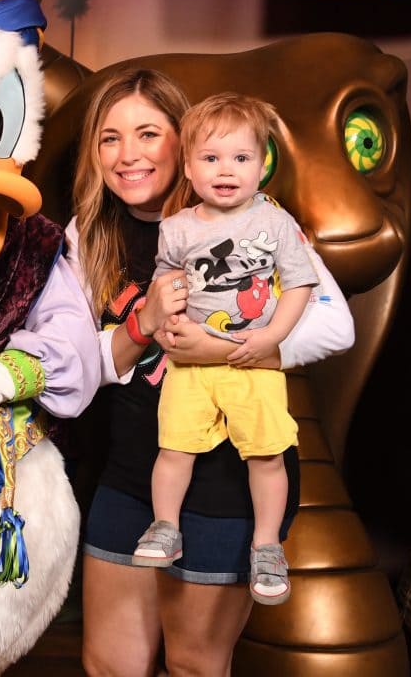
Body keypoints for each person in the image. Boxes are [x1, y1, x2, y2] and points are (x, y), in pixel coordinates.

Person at [63, 70, 354, 677]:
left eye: (148, 133)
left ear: (186, 144)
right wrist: (141, 325)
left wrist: (212, 348)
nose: (129, 155)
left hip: (231, 480)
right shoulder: (86, 236)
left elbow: (334, 327)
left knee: (195, 664)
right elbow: (79, 368)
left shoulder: (255, 219)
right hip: (132, 472)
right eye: (109, 139)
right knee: (109, 666)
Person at [131, 93, 315, 607]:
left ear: (261, 166)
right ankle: (165, 526)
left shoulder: (275, 222)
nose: (226, 170)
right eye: (211, 159)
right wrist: (163, 315)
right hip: (189, 366)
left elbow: (300, 284)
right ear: (188, 167)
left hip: (252, 361)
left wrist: (272, 336)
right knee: (174, 449)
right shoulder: (178, 227)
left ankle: (266, 545)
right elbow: (164, 276)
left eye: (241, 158)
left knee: (267, 456)